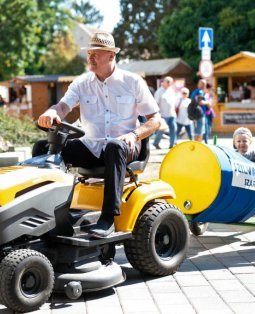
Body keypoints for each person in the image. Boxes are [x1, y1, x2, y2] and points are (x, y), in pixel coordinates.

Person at [34, 31, 161, 238]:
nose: (90, 57)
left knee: (114, 146)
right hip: (91, 146)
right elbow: (63, 106)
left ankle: (107, 219)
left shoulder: (133, 82)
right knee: (43, 147)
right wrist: (52, 112)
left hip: (126, 146)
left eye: (96, 53)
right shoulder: (81, 82)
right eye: (89, 53)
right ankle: (48, 213)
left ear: (111, 56)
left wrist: (135, 135)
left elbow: (155, 120)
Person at [152, 76, 178, 149]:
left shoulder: (171, 90)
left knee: (174, 129)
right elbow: (156, 103)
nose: (169, 83)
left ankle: (172, 144)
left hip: (172, 114)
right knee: (162, 129)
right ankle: (156, 143)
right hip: (163, 114)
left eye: (170, 82)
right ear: (164, 82)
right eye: (168, 82)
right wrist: (157, 114)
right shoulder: (159, 92)